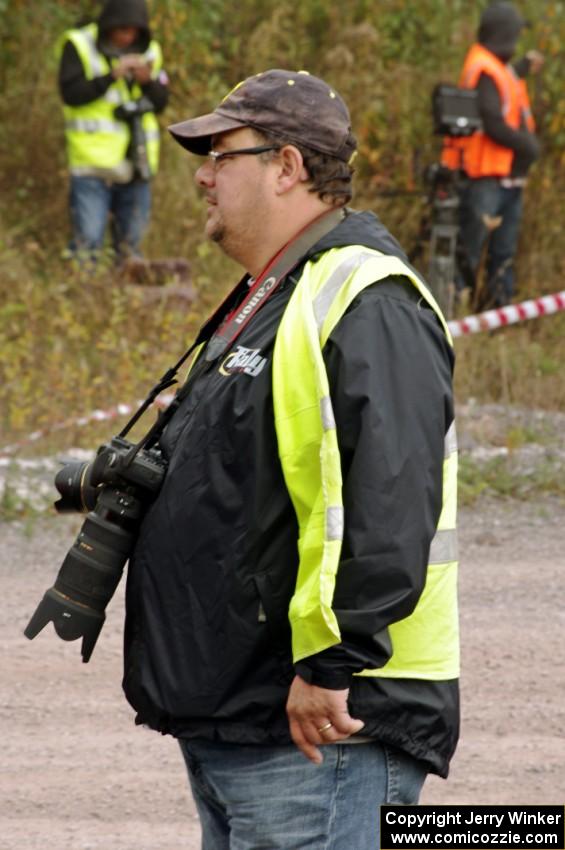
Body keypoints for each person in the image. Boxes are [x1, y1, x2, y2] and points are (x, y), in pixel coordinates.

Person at [123, 69, 459, 850]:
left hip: (320, 732)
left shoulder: (366, 298)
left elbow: (389, 502)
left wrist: (331, 666)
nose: (202, 175)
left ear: (287, 166)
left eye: (220, 153)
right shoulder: (269, 297)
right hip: (245, 720)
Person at [442, 1, 543, 309]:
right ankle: (453, 313)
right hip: (484, 178)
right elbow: (492, 121)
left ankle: (495, 313)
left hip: (504, 178)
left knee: (501, 254)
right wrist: (527, 146)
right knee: (471, 253)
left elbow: (507, 84)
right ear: (505, 34)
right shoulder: (485, 67)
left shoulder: (497, 68)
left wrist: (523, 67)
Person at [57, 0, 169, 260]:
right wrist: (112, 76)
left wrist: (146, 81)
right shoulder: (80, 44)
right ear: (108, 27)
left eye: (132, 31)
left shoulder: (150, 50)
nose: (126, 37)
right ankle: (86, 295)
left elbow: (161, 101)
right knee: (89, 244)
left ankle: (129, 296)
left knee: (131, 248)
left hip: (137, 164)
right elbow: (71, 94)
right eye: (121, 30)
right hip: (92, 165)